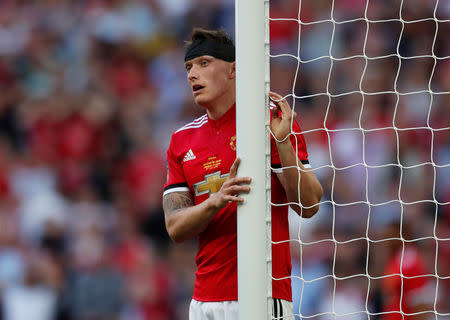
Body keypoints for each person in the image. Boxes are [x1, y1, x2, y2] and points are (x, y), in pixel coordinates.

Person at [162, 28, 323, 320]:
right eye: (188, 67)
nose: (192, 75)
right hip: (204, 302)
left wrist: (283, 142)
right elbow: (175, 228)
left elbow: (309, 205)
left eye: (204, 63)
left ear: (234, 69)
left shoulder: (270, 117)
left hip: (263, 295)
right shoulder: (181, 140)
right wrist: (215, 201)